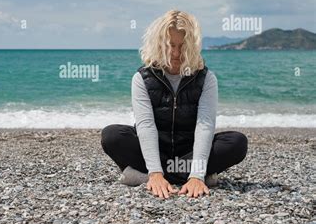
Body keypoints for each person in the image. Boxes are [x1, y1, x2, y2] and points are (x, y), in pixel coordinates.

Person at [101, 10, 248, 199]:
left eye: (183, 46)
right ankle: (161, 178)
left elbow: (205, 125)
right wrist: (155, 172)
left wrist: (197, 174)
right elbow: (146, 125)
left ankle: (142, 177)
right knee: (112, 135)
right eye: (170, 45)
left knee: (236, 142)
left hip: (189, 155)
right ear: (159, 44)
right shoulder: (142, 78)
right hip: (156, 154)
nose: (176, 53)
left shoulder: (206, 78)